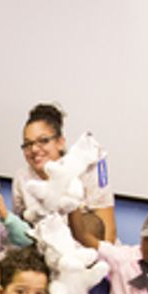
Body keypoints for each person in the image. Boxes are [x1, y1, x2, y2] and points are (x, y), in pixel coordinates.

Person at [11, 102, 116, 244]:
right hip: (48, 252)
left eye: (43, 141)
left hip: (89, 251)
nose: (34, 149)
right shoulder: (22, 178)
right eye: (28, 144)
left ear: (60, 142)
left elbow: (108, 232)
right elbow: (22, 228)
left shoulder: (86, 169)